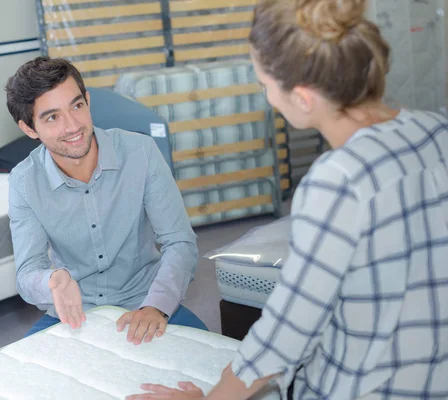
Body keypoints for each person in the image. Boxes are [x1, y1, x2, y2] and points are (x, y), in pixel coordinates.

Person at [127, 0, 448, 398]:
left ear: (302, 98)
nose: (268, 98)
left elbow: (283, 337)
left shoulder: (339, 180)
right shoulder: (436, 129)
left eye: (265, 85)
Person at [5, 56, 207, 344]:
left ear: (87, 100)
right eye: (53, 117)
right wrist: (52, 282)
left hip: (147, 299)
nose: (73, 125)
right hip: (74, 312)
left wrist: (156, 307)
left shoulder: (141, 153)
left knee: (214, 371)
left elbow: (180, 242)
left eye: (77, 106)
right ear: (29, 129)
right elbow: (27, 273)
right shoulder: (23, 182)